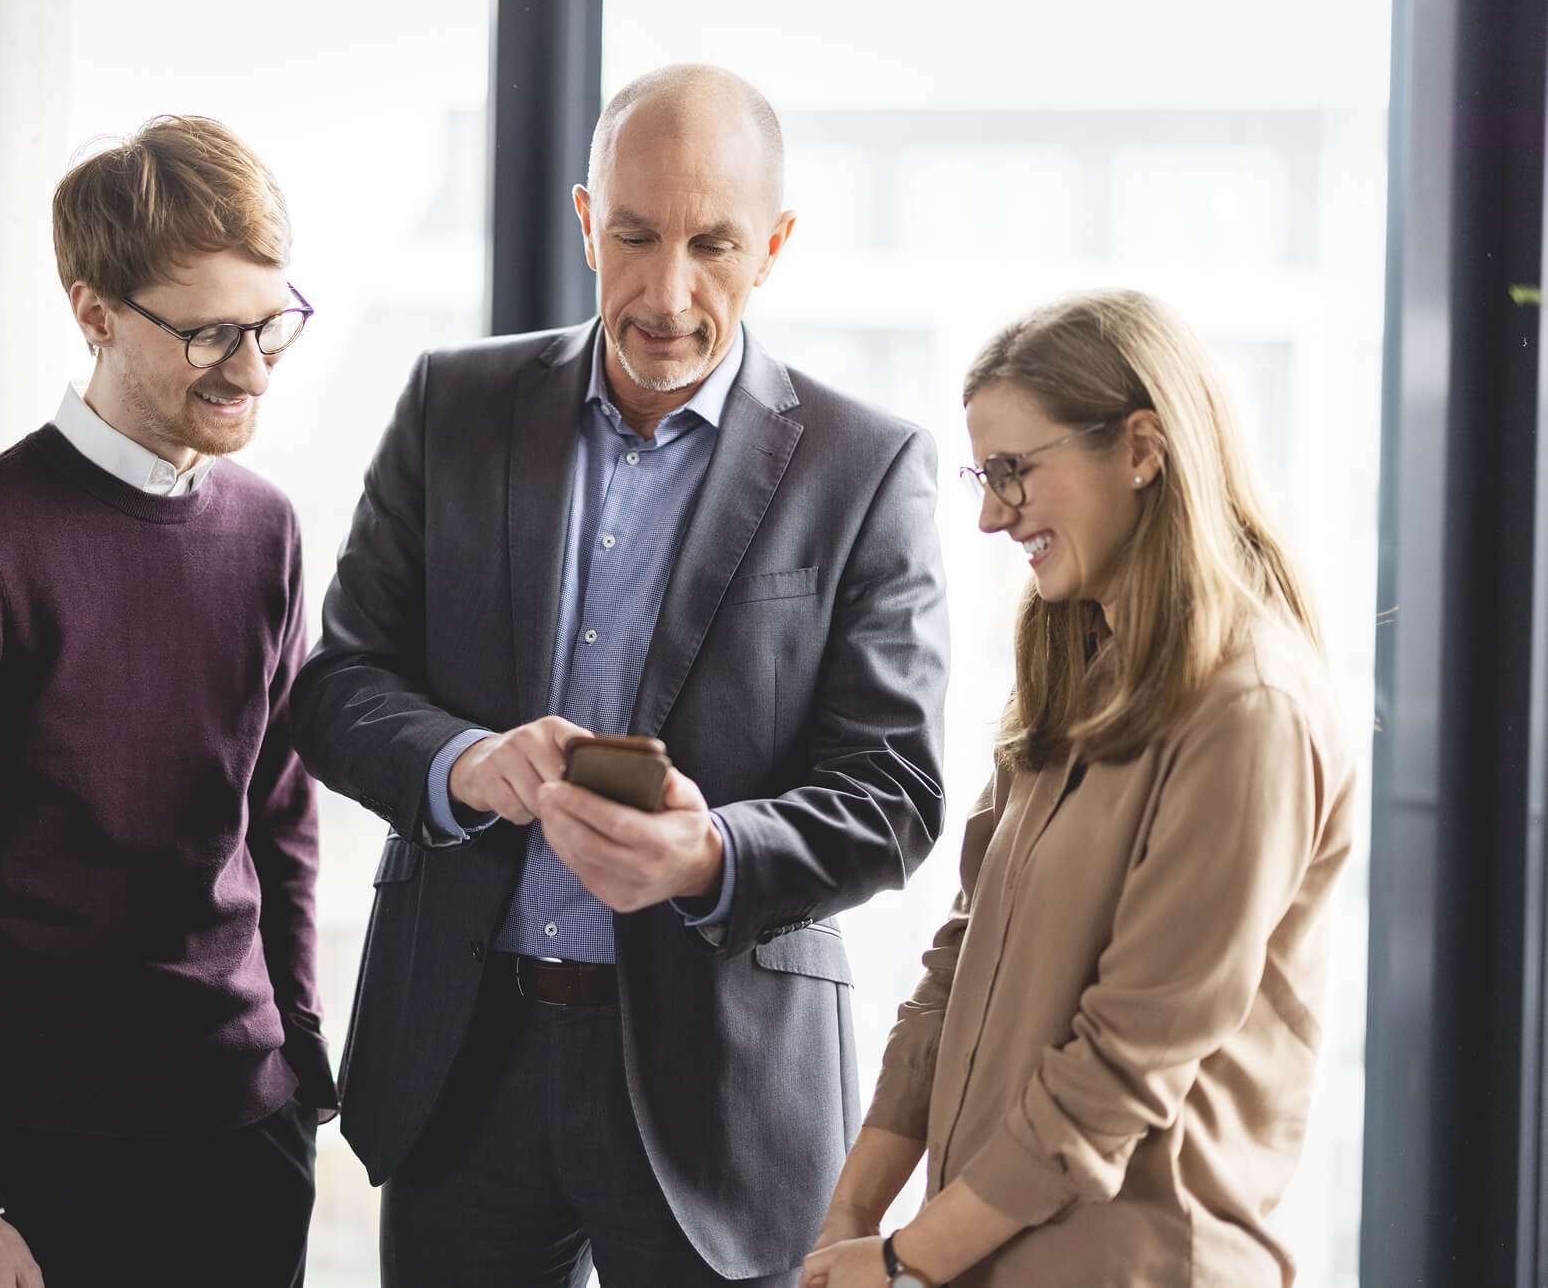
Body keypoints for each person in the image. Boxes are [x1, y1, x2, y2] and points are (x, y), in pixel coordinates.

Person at [292, 64, 951, 1286]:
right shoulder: (454, 404)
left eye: (714, 245)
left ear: (776, 247)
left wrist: (712, 855)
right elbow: (340, 688)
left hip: (722, 1097)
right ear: (588, 218)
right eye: (636, 236)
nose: (666, 292)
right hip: (465, 1063)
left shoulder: (866, 467)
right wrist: (466, 765)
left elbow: (894, 793)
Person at [0, 115, 333, 1288]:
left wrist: (304, 1062)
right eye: (209, 331)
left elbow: (283, 825)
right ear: (95, 312)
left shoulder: (266, 528)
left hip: (248, 1127)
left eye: (270, 325)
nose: (250, 367)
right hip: (43, 1159)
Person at [800, 289, 1355, 1288]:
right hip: (980, 1259)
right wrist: (851, 1215)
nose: (987, 513)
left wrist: (899, 1261)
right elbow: (953, 971)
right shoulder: (1074, 675)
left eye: (1013, 472)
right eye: (982, 474)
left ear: (1142, 448)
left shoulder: (1251, 710)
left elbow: (1119, 1071)